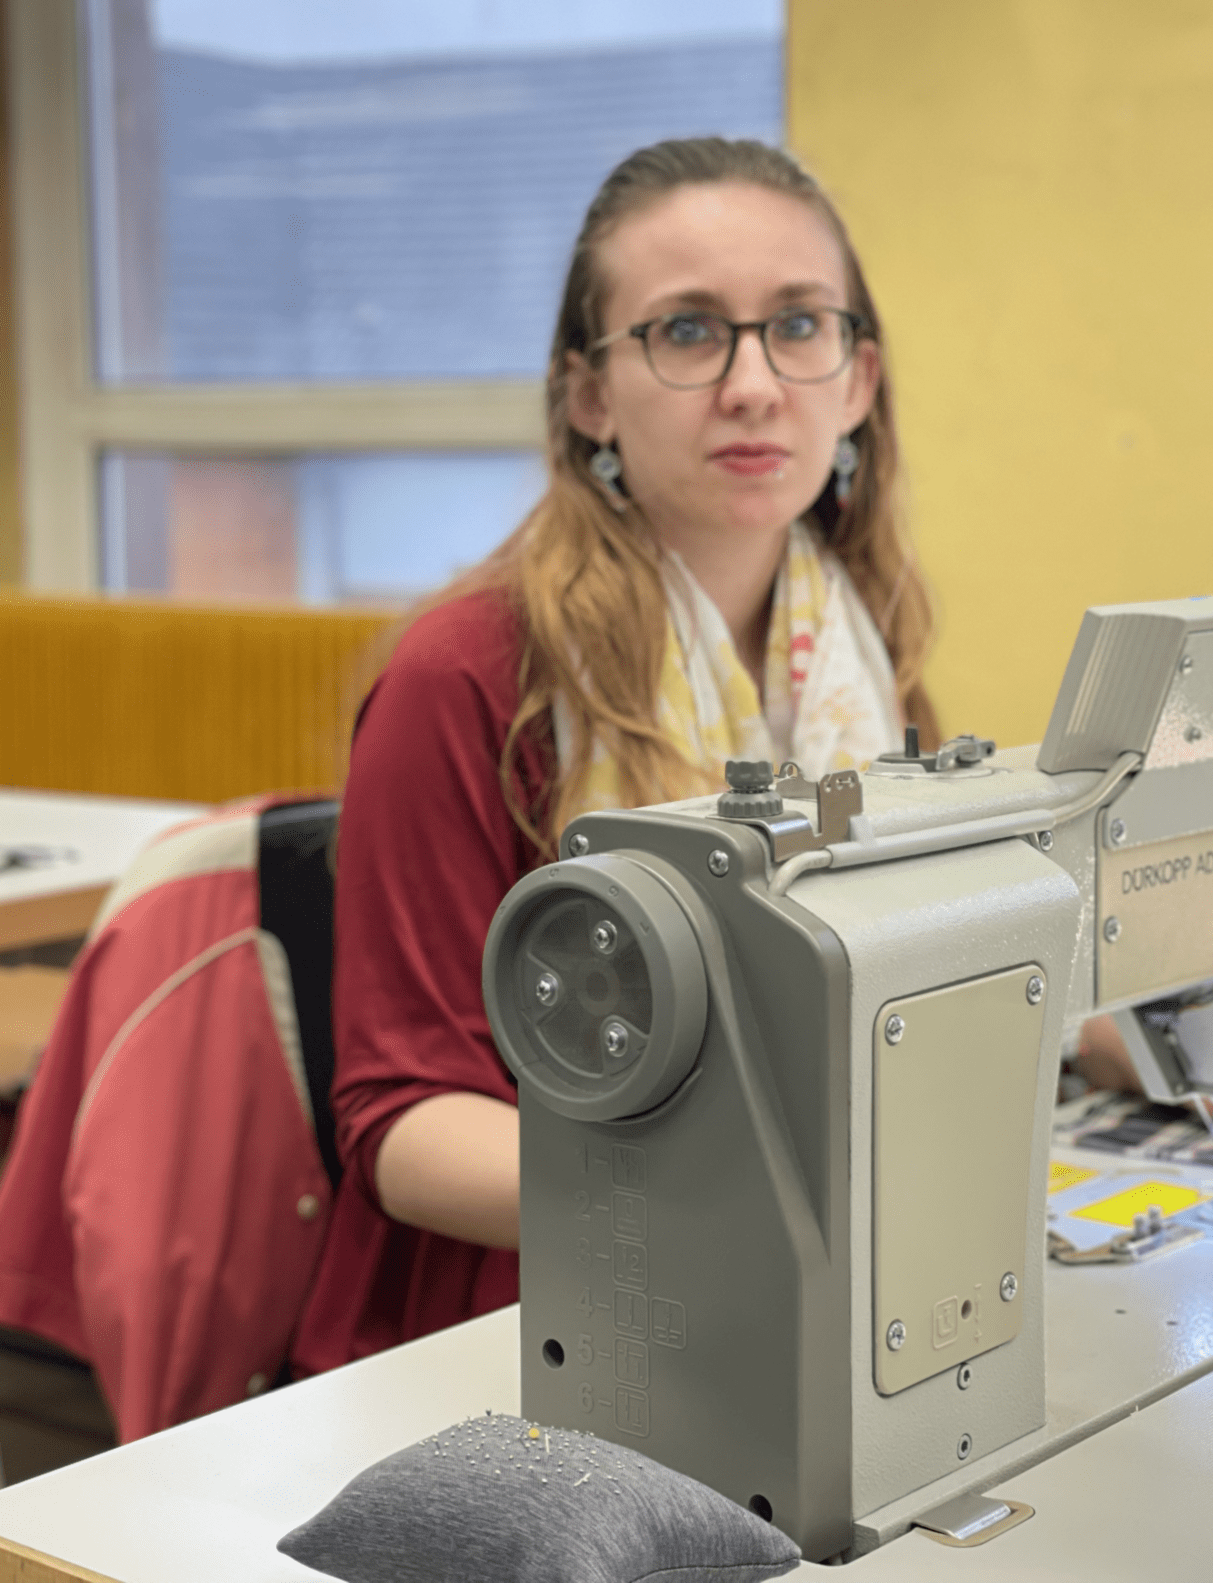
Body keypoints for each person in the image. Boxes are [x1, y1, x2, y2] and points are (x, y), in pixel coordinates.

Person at [291, 137, 938, 1373]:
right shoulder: (469, 680)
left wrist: (1118, 1022)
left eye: (796, 326)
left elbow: (916, 937)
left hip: (800, 1290)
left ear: (856, 380)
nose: (753, 385)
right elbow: (404, 1129)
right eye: (687, 334)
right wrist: (746, 1198)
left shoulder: (864, 657)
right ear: (589, 393)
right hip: (515, 1331)